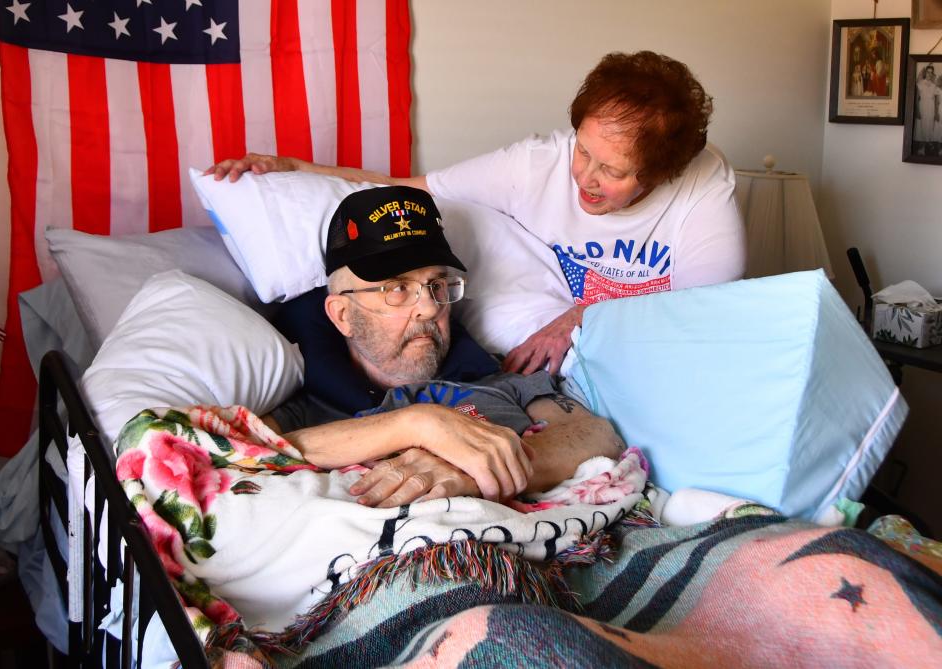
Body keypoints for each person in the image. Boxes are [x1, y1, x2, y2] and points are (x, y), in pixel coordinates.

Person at [207, 51, 745, 377]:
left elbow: (705, 311)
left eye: (614, 171)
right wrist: (289, 166)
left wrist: (579, 317)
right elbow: (411, 188)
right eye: (583, 150)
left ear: (661, 174)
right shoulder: (535, 165)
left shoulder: (702, 181)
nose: (585, 176)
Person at [265, 185, 623, 509]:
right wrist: (418, 424)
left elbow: (597, 434)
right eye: (397, 288)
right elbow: (243, 452)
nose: (430, 307)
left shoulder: (502, 377)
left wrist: (474, 474)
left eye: (438, 285)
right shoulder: (306, 405)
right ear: (342, 315)